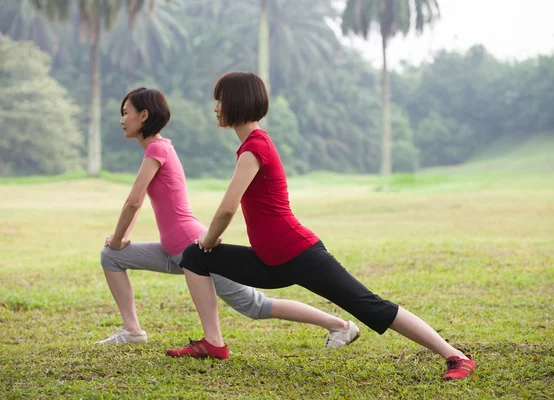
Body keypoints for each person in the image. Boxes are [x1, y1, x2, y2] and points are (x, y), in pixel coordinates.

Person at [166, 73, 476, 381]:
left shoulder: (254, 147)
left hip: (299, 254)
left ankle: (456, 356)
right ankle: (213, 344)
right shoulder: (250, 145)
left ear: (236, 102)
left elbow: (228, 207)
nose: (216, 107)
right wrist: (205, 244)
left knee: (371, 307)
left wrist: (210, 238)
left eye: (220, 100)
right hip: (269, 260)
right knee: (194, 257)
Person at [98, 87, 360, 348]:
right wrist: (119, 242)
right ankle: (132, 330)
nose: (121, 120)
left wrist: (119, 238)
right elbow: (137, 202)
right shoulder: (159, 149)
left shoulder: (157, 149)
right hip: (172, 249)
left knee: (254, 305)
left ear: (143, 115)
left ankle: (341, 326)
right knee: (111, 256)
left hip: (191, 246)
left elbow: (132, 202)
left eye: (125, 113)